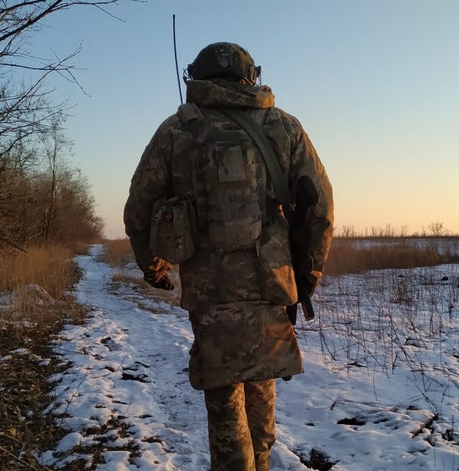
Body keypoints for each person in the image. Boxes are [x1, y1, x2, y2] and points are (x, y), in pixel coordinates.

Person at [123, 41, 334, 471]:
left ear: (196, 78)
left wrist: (155, 268)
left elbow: (140, 210)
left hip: (210, 290)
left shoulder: (177, 130)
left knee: (224, 403)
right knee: (261, 387)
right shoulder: (284, 127)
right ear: (250, 77)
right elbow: (321, 208)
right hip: (271, 285)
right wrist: (307, 275)